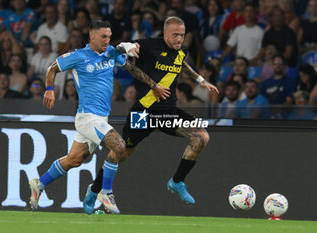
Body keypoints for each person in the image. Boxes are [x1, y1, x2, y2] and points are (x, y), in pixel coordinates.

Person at [28, 20, 170, 214]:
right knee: (119, 146)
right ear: (92, 36)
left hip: (101, 118)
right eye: (103, 36)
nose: (107, 40)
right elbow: (52, 68)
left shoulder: (110, 53)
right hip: (87, 117)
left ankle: (40, 184)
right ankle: (106, 192)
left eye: (109, 37)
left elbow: (132, 69)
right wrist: (50, 89)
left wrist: (154, 86)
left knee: (74, 160)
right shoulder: (78, 56)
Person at [84, 16, 218, 214]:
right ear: (165, 34)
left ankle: (177, 182)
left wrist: (200, 80)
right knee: (120, 153)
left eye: (182, 35)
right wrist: (151, 84)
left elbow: (182, 64)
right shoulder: (148, 45)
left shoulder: (181, 50)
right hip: (144, 112)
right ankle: (94, 190)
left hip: (168, 113)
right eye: (175, 35)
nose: (180, 39)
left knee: (201, 137)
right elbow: (122, 52)